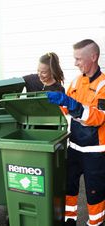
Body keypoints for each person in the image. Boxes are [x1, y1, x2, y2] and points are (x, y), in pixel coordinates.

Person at [47, 39, 105, 226]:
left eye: (79, 59)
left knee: (95, 193)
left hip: (95, 153)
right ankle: (69, 220)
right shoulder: (75, 82)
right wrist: (52, 106)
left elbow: (98, 117)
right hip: (74, 147)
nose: (75, 63)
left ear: (93, 57)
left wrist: (72, 104)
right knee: (69, 189)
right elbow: (66, 112)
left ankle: (95, 223)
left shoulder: (103, 85)